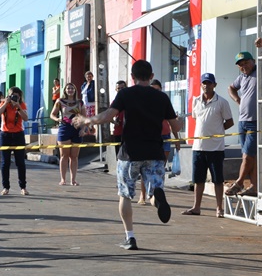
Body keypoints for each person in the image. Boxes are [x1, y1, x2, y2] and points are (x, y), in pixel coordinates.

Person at [73, 60, 182, 251]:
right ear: (151, 75)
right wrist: (176, 135)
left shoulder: (126, 94)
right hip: (155, 152)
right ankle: (158, 198)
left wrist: (86, 119)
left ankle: (130, 237)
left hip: (130, 153)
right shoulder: (162, 97)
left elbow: (107, 116)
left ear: (132, 77)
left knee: (125, 195)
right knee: (153, 191)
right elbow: (175, 126)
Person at [182, 73, 234, 218]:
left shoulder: (222, 102)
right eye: (204, 83)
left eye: (209, 83)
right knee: (198, 179)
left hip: (216, 147)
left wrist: (218, 130)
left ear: (214, 85)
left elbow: (230, 122)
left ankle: (219, 208)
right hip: (198, 146)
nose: (206, 86)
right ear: (201, 85)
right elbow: (195, 118)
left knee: (218, 179)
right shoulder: (196, 101)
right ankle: (196, 207)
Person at [226, 39, 262, 197]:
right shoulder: (242, 77)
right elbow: (231, 88)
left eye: (246, 63)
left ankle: (239, 182)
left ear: (253, 61)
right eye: (240, 64)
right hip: (243, 121)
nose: (244, 66)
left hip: (256, 121)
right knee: (250, 156)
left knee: (247, 155)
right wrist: (237, 100)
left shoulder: (260, 70)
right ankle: (255, 187)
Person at [0, 86, 29, 196]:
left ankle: (23, 187)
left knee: (20, 163)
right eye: (13, 96)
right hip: (5, 134)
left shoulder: (21, 105)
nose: (15, 98)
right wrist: (6, 103)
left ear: (20, 97)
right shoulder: (4, 103)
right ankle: (5, 187)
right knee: (5, 163)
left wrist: (18, 106)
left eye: (17, 96)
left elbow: (25, 118)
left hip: (18, 134)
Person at [51, 82, 82, 186]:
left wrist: (84, 129)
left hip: (76, 129)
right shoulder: (60, 101)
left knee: (74, 156)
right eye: (68, 88)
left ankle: (73, 180)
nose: (70, 90)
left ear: (75, 90)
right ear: (65, 90)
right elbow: (52, 114)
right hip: (64, 128)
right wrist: (57, 119)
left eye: (72, 88)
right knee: (64, 155)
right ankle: (63, 179)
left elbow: (85, 117)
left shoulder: (79, 102)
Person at [80, 71, 96, 135]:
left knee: (91, 117)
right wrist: (87, 84)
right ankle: (87, 130)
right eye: (87, 77)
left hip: (91, 103)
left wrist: (90, 84)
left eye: (90, 76)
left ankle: (91, 129)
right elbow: (82, 92)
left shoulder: (94, 83)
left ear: (92, 77)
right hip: (85, 103)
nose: (88, 78)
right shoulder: (84, 84)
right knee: (86, 117)